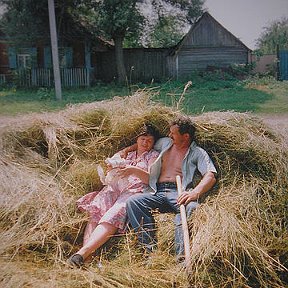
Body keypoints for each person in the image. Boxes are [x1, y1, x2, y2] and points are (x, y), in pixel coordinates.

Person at [125, 116, 217, 260]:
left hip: (179, 193)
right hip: (158, 191)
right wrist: (127, 150)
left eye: (173, 133)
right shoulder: (165, 143)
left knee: (192, 207)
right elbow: (146, 144)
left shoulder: (198, 153)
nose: (169, 135)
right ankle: (149, 251)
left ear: (185, 136)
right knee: (133, 202)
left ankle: (180, 256)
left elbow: (210, 176)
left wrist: (194, 193)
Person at [68, 124, 160, 267]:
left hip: (134, 189)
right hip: (115, 186)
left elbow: (150, 179)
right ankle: (86, 256)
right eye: (142, 139)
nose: (145, 143)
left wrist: (133, 170)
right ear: (137, 139)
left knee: (113, 214)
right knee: (97, 208)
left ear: (154, 143)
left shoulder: (153, 156)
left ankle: (82, 254)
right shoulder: (128, 154)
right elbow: (112, 163)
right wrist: (112, 167)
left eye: (149, 140)